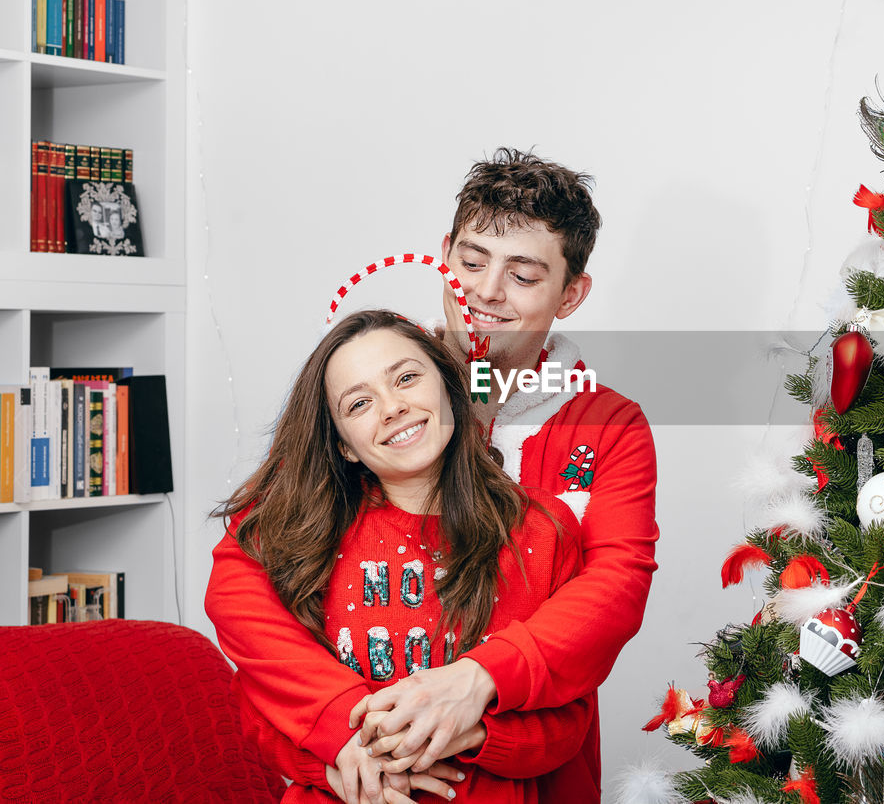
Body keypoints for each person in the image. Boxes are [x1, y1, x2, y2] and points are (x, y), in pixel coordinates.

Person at [209, 149, 658, 800]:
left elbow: (613, 591)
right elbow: (243, 579)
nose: (485, 291)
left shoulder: (608, 423)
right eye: (472, 262)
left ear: (571, 293)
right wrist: (341, 731)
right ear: (444, 251)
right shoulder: (376, 389)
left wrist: (479, 678)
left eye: (523, 275)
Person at [207, 310, 593, 803]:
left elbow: (568, 721)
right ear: (343, 445)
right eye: (360, 403)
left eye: (407, 378)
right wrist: (346, 758)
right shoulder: (301, 539)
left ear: (449, 388)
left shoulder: (541, 528)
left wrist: (474, 734)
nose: (391, 408)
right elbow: (257, 704)